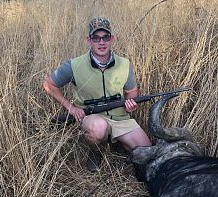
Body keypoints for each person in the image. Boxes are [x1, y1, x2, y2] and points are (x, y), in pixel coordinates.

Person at [43, 17, 151, 172]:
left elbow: (131, 91)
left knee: (147, 153)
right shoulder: (74, 65)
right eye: (96, 38)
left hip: (120, 118)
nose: (101, 42)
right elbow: (48, 84)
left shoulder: (125, 64)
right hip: (93, 119)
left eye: (106, 37)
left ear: (112, 39)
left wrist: (130, 103)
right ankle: (96, 152)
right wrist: (71, 108)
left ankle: (115, 141)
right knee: (98, 127)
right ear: (89, 40)